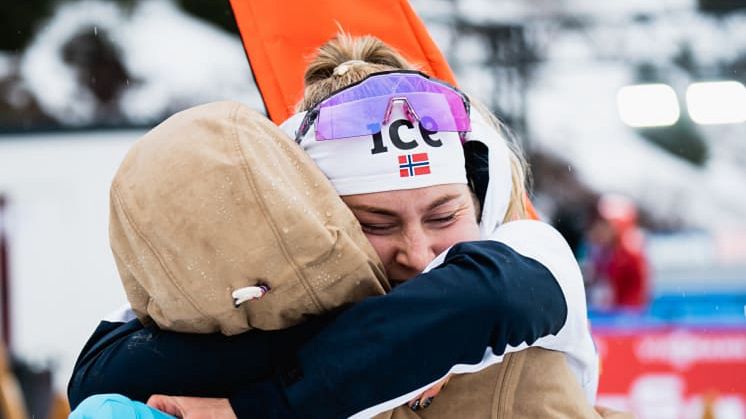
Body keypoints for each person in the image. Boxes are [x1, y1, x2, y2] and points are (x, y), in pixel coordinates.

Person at [69, 35, 602, 418]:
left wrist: (258, 402)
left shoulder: (530, 247)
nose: (418, 254)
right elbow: (101, 375)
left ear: (479, 196)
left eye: (444, 215)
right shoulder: (279, 292)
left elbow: (488, 299)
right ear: (316, 217)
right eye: (376, 223)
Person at [585, 194, 649, 310]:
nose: (599, 228)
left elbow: (634, 299)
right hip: (606, 314)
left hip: (621, 318)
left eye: (605, 224)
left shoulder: (630, 255)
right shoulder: (598, 251)